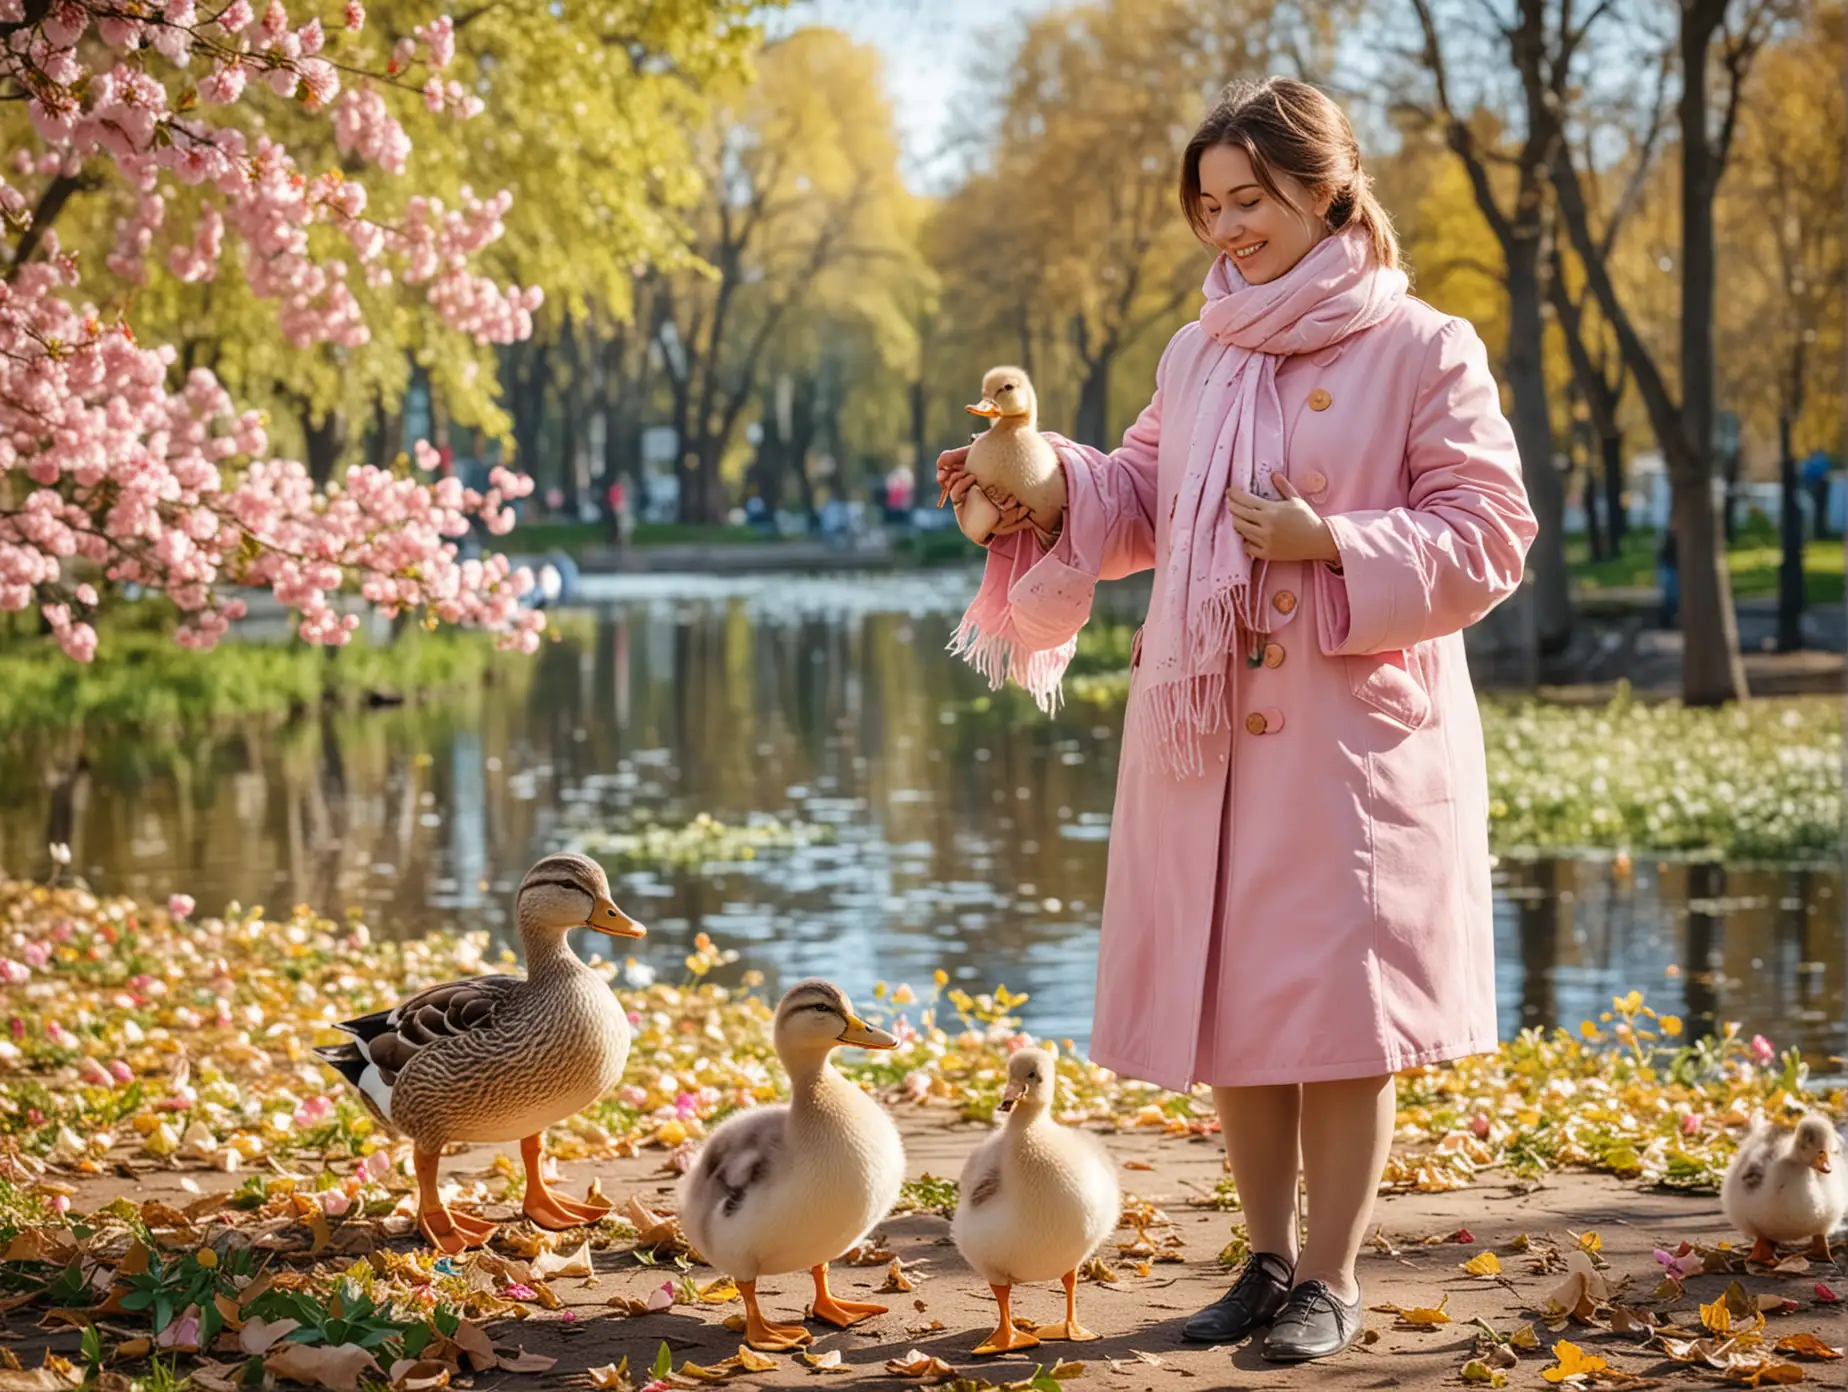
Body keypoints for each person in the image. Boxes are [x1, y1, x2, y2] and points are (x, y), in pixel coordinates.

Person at [937, 77, 1535, 1364]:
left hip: (1350, 728)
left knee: (1343, 1014)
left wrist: (1337, 540)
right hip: (1205, 728)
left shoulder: (1425, 347)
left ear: (1324, 188)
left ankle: (1332, 1277)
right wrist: (1036, 482)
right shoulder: (1199, 351)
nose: (1227, 228)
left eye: (1249, 199)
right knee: (1241, 1001)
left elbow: (1492, 535)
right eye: (1209, 205)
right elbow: (1140, 492)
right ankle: (1263, 1266)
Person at [1657, 524, 1679, 629]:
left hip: (1673, 567)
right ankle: (1666, 621)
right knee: (1671, 597)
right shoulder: (1671, 539)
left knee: (1672, 597)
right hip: (1670, 567)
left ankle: (1668, 621)